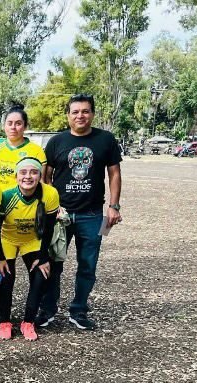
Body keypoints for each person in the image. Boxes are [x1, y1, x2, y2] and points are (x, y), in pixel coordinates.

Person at [42, 94, 123, 330]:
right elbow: (46, 177)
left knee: (88, 266)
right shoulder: (56, 142)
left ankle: (79, 310)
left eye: (85, 111)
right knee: (53, 264)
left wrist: (114, 206)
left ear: (92, 114)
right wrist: (52, 206)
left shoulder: (105, 139)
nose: (80, 116)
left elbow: (114, 174)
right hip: (61, 215)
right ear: (68, 115)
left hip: (93, 215)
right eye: (75, 112)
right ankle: (47, 310)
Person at [0, 157, 59, 341]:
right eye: (23, 172)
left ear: (40, 175)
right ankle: (4, 321)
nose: (28, 176)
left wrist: (43, 256)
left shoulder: (50, 193)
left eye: (34, 172)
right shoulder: (7, 196)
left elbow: (49, 228)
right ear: (16, 176)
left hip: (32, 240)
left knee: (40, 275)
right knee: (6, 277)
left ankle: (28, 321)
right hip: (7, 239)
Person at [0, 105, 47, 192]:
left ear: (25, 126)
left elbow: (41, 182)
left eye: (18, 123)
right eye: (9, 123)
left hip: (19, 199)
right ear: (4, 125)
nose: (13, 127)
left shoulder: (36, 151)